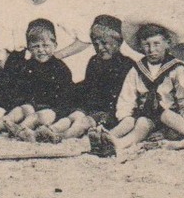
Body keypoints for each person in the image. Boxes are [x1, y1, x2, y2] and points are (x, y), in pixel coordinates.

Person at [32, 15, 136, 143]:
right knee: (74, 115)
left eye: (105, 43)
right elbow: (88, 86)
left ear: (118, 42)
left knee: (84, 122)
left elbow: (126, 97)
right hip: (91, 106)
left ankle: (63, 137)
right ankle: (51, 130)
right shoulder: (94, 61)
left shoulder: (126, 65)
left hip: (110, 111)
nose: (100, 48)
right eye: (96, 44)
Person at [90, 23, 184, 158]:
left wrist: (169, 129)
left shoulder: (177, 69)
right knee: (135, 122)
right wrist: (126, 117)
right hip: (146, 116)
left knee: (147, 125)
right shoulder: (137, 69)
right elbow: (127, 98)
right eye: (147, 45)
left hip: (170, 119)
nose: (152, 49)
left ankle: (120, 143)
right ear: (141, 46)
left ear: (167, 43)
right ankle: (107, 138)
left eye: (157, 44)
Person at [0, 19, 74, 139]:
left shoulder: (60, 68)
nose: (41, 50)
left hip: (52, 110)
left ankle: (19, 130)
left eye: (46, 45)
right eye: (36, 46)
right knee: (17, 112)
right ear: (29, 48)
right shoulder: (27, 66)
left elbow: (65, 97)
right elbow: (20, 91)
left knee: (38, 116)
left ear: (55, 45)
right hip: (31, 106)